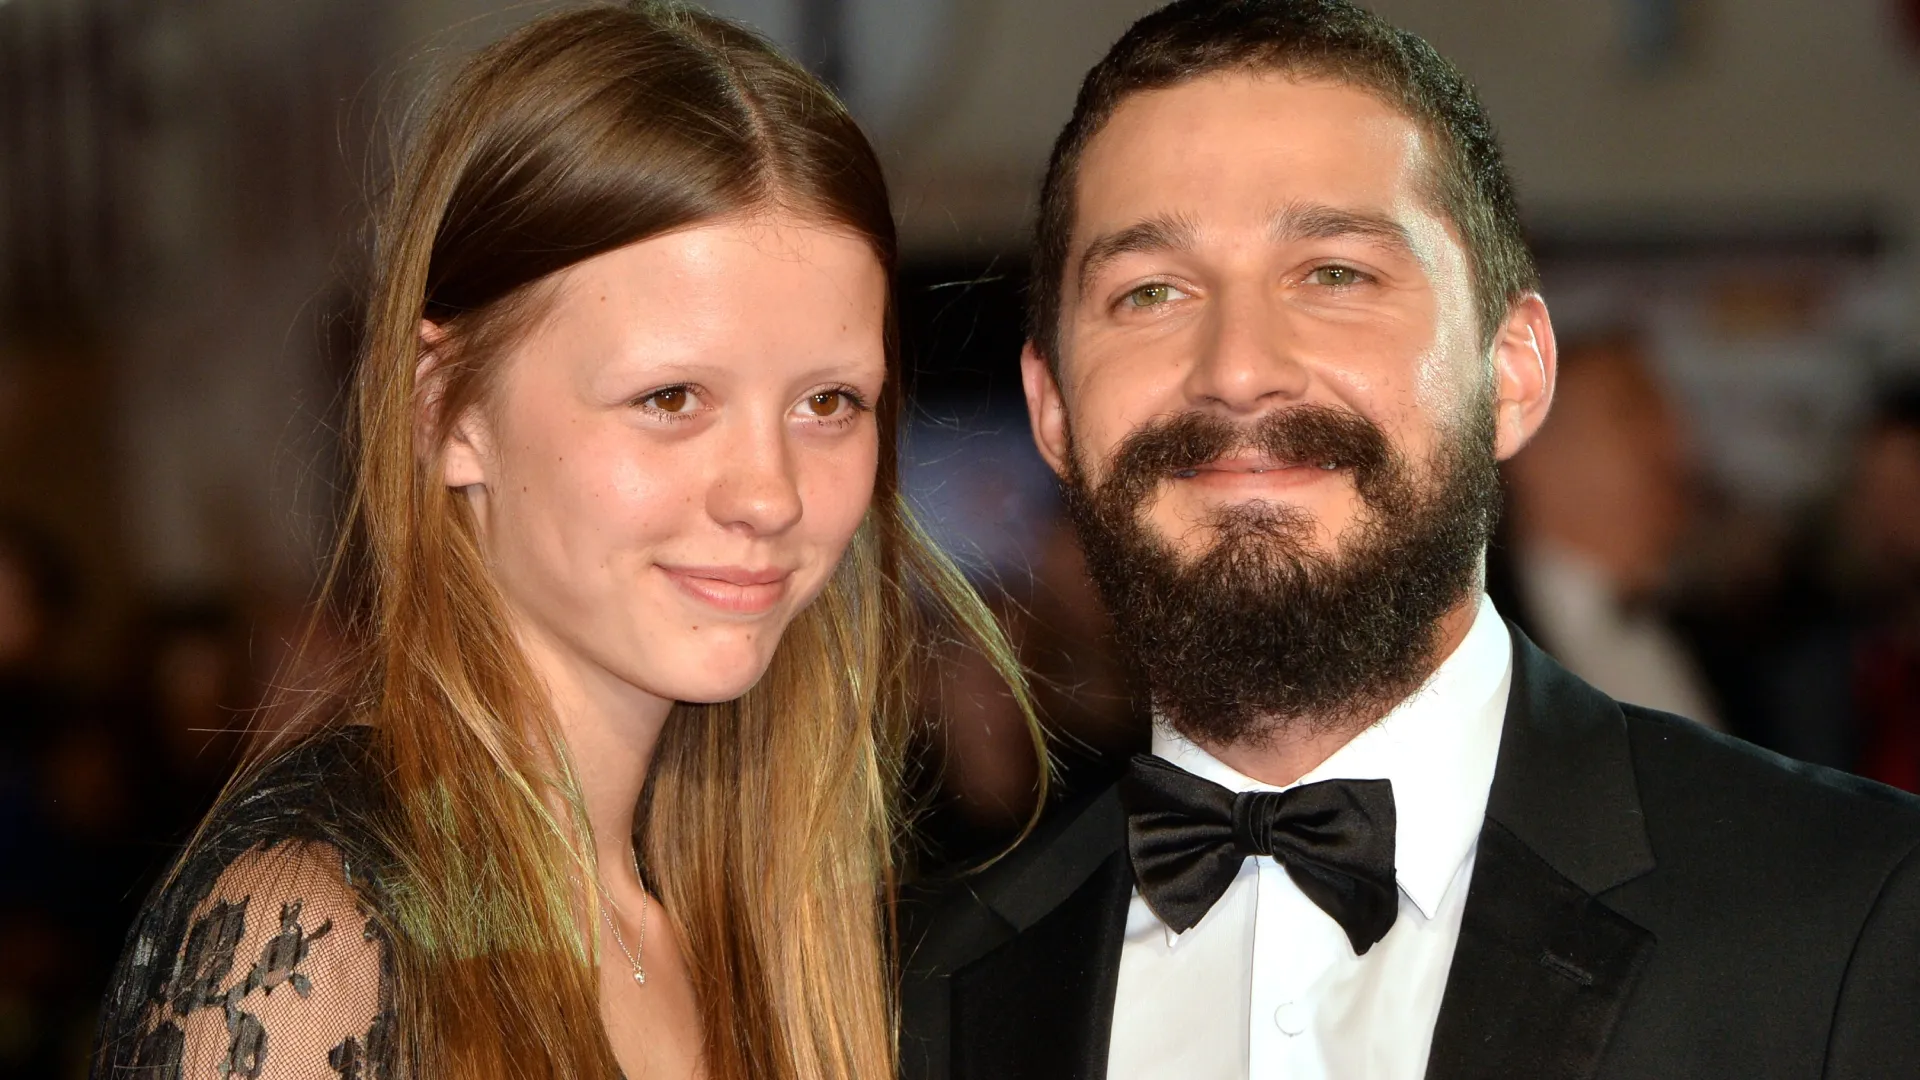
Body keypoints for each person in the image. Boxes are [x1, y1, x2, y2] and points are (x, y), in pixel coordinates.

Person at [898, 2, 1920, 1078]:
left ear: (1513, 372)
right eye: (1150, 292)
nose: (1238, 367)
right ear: (1054, 410)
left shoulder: (1852, 920)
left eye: (1335, 273)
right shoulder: (917, 991)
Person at [90, 5, 1035, 1079]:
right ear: (445, 412)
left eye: (828, 402)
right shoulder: (321, 935)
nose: (769, 494)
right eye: (671, 396)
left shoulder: (751, 913)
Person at [1494, 332, 1722, 727]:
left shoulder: (1730, 642)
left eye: (1669, 415)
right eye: (1631, 414)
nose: (1672, 443)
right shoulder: (1459, 648)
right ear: (1531, 452)